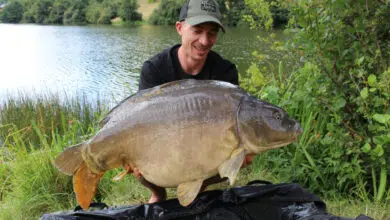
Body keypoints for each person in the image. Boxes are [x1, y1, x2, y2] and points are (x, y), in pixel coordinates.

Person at [136, 0, 254, 204]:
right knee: (138, 162)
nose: (205, 40)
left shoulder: (225, 72)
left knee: (239, 155)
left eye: (212, 32)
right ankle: (158, 193)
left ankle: (200, 186)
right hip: (164, 139)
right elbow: (143, 122)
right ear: (180, 28)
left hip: (204, 143)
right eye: (197, 30)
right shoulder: (154, 69)